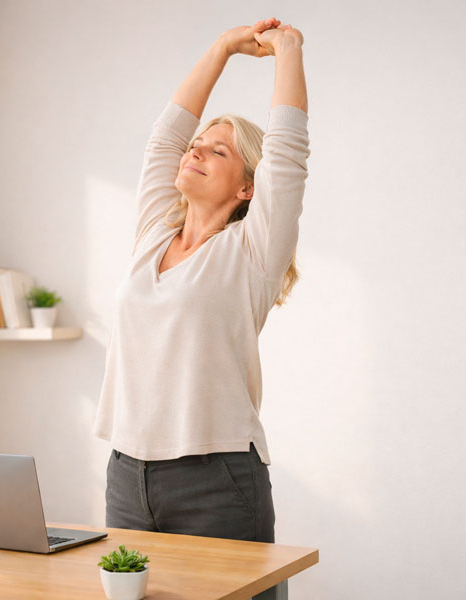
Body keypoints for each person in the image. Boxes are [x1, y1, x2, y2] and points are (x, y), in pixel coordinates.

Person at [92, 17, 309, 596]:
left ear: (247, 188)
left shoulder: (250, 253)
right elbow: (164, 139)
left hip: (217, 481)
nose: (194, 152)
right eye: (197, 146)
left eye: (218, 151)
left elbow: (286, 155)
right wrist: (220, 49)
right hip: (126, 475)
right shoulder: (150, 237)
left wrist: (288, 48)